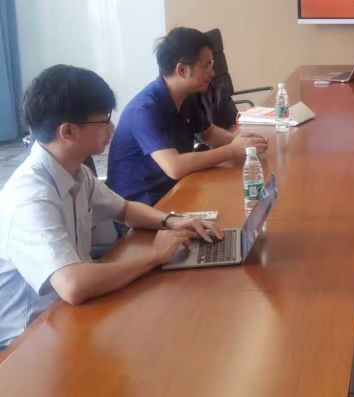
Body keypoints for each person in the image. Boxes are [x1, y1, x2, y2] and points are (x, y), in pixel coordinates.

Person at [0, 65, 222, 351]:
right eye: (104, 121)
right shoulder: (30, 199)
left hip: (67, 313)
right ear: (68, 131)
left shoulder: (76, 171)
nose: (112, 128)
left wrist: (171, 220)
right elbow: (73, 285)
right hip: (25, 342)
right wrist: (155, 256)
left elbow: (125, 209)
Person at [108, 27, 268, 206]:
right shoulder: (144, 110)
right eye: (206, 65)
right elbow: (175, 167)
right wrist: (232, 149)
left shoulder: (187, 95)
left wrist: (245, 143)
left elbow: (208, 133)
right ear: (182, 70)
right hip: (144, 205)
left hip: (177, 188)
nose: (212, 73)